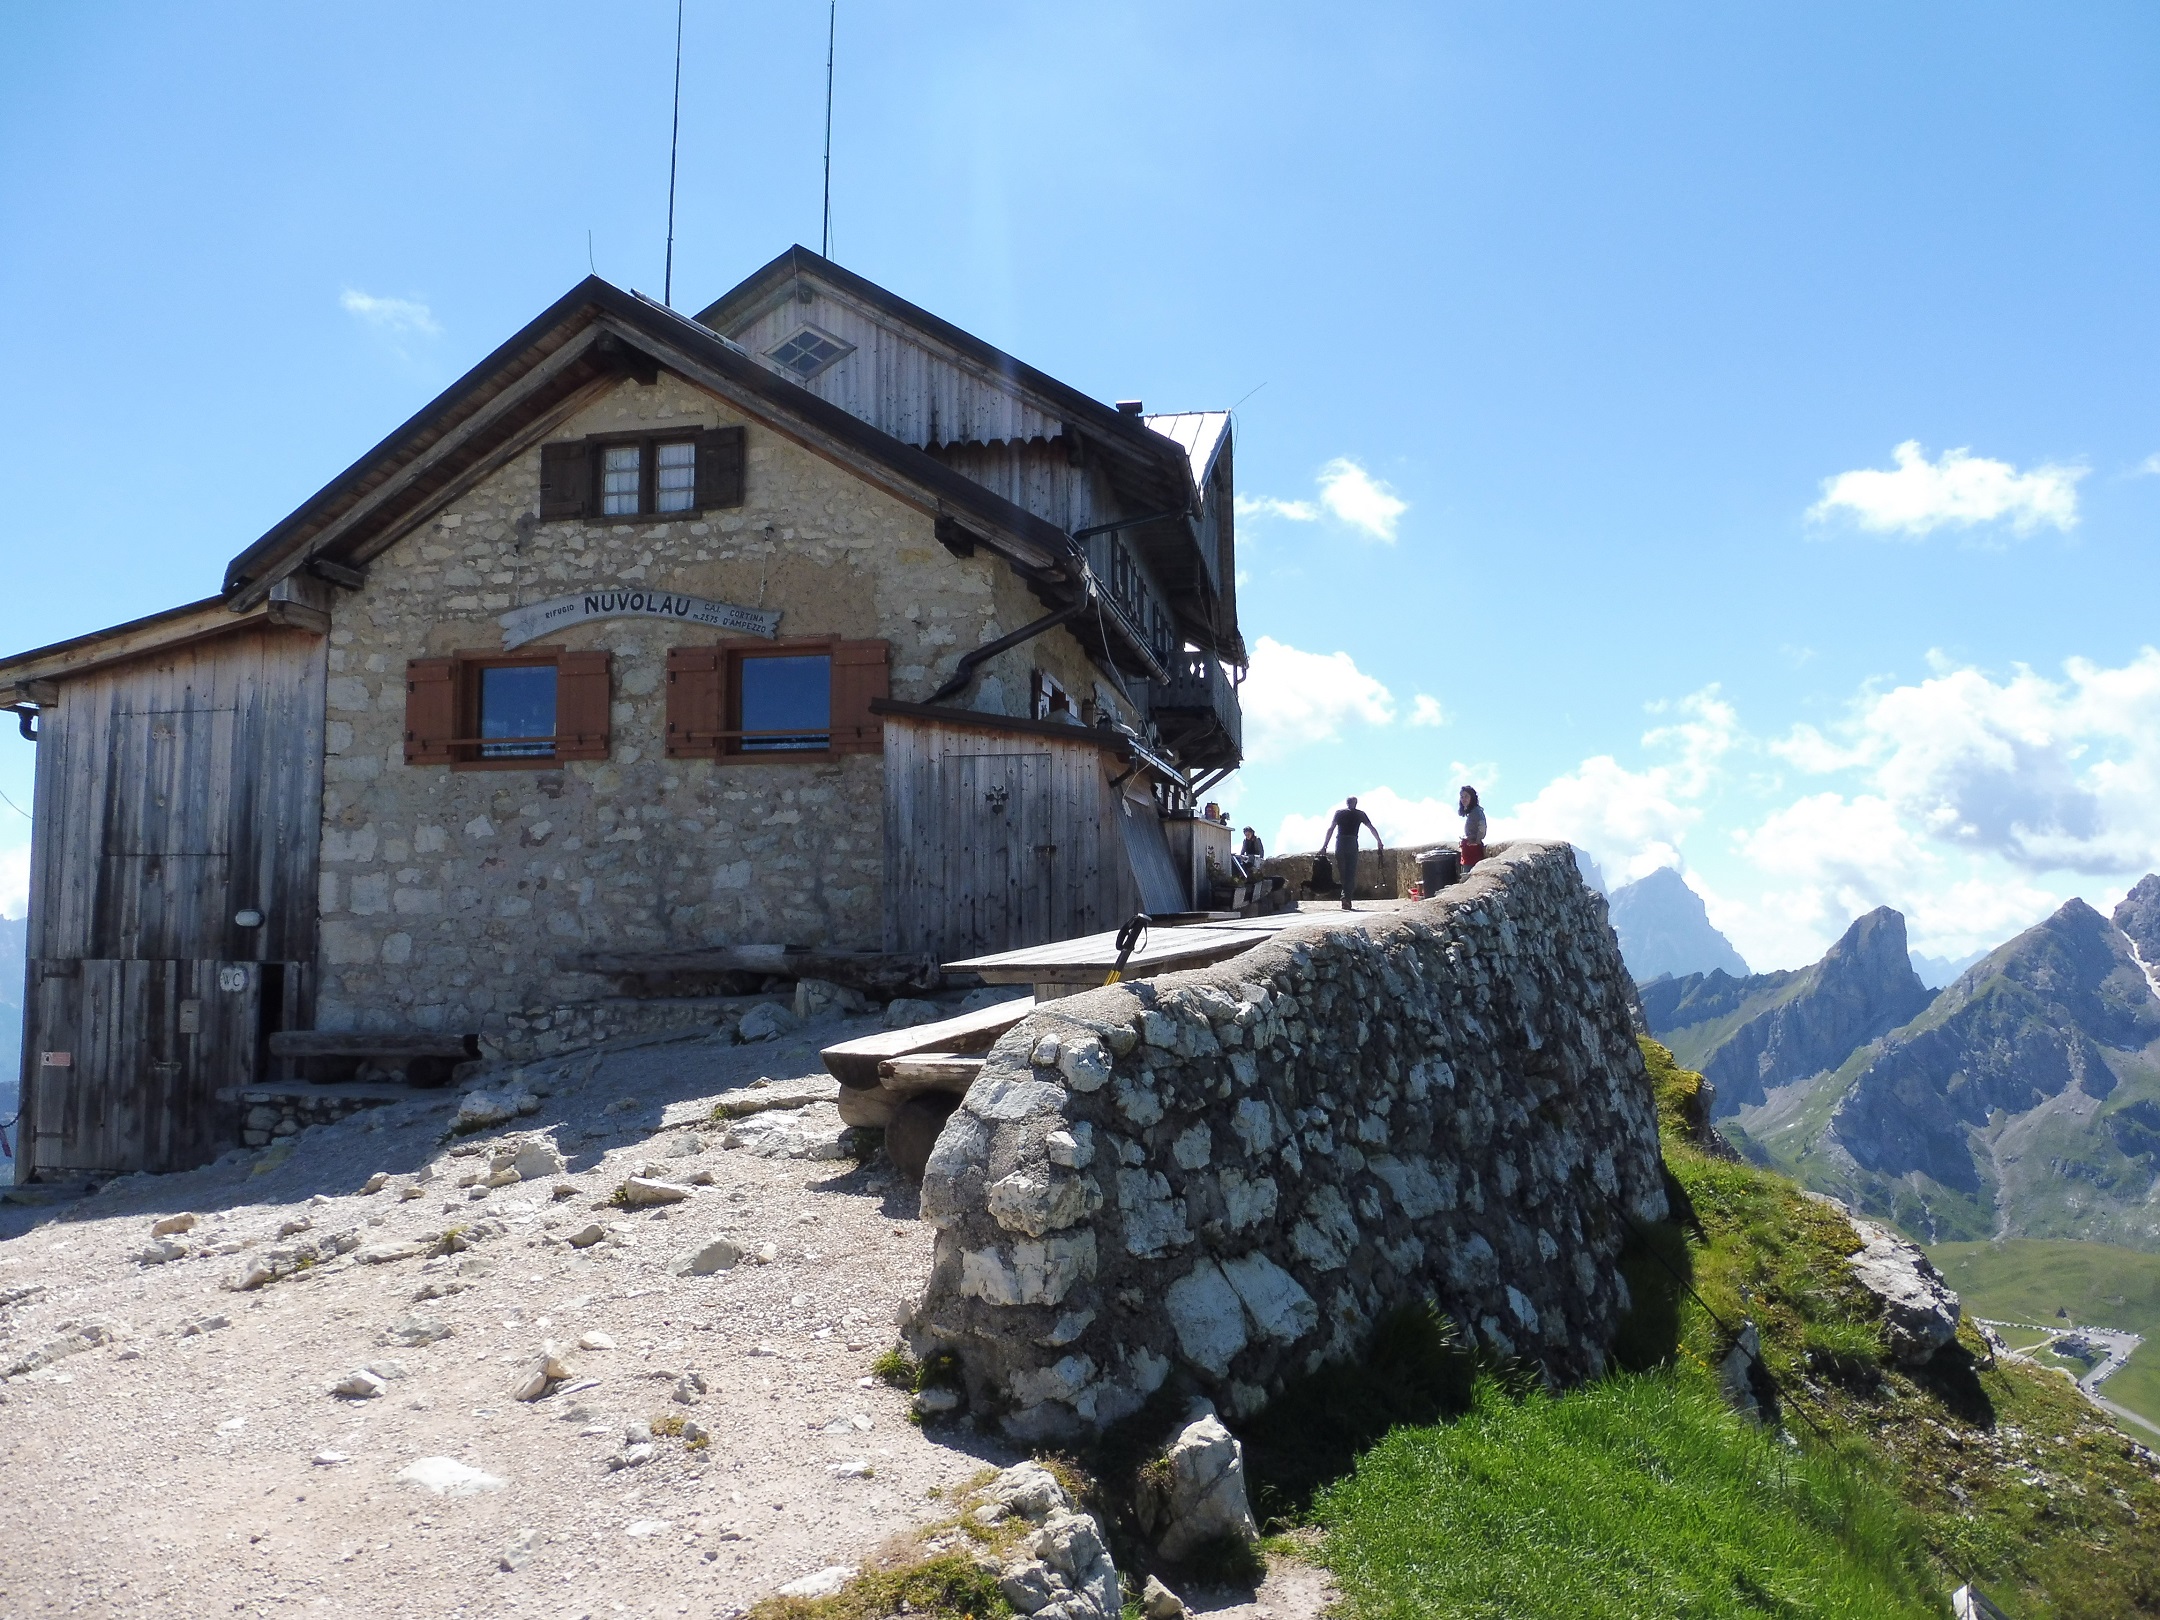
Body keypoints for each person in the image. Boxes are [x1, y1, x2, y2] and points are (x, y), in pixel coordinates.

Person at [1321, 796, 1383, 910]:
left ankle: (1345, 898)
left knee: (1343, 872)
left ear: (1347, 803)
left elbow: (1331, 829)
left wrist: (1324, 846)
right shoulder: (1360, 814)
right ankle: (1347, 899)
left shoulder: (1339, 813)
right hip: (1352, 842)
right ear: (1356, 803)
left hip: (1340, 842)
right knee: (1350, 872)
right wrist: (1379, 841)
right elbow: (1371, 828)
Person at [1458, 784, 1488, 870]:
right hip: (1468, 849)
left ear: (1472, 797)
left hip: (1473, 851)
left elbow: (1482, 826)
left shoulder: (1476, 811)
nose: (1463, 799)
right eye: (1462, 797)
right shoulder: (1472, 812)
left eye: (1466, 796)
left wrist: (1477, 841)